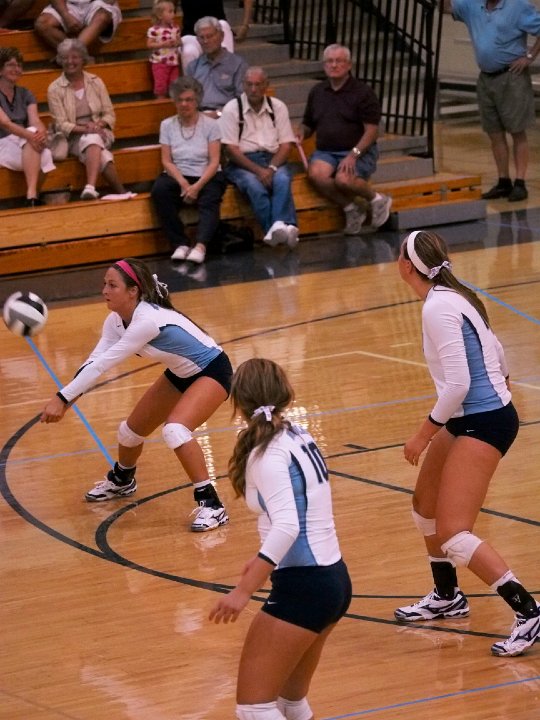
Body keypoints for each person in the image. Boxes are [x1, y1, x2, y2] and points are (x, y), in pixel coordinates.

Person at [394, 229, 540, 657]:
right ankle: (447, 597)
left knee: (454, 532)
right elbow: (497, 349)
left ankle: (529, 613)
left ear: (407, 267)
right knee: (425, 507)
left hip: (484, 422)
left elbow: (458, 383)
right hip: (470, 417)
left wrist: (423, 433)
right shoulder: (454, 295)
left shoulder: (438, 307)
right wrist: (501, 384)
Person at [40, 257, 232, 533]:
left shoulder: (147, 321)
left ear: (133, 291)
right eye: (104, 284)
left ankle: (212, 505)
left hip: (213, 370)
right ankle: (123, 480)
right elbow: (93, 362)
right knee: (129, 433)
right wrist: (67, 398)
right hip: (180, 373)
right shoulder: (115, 321)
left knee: (175, 430)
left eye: (112, 285)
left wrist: (61, 398)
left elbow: (104, 365)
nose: (104, 291)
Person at [209, 358, 352, 719]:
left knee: (254, 709)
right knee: (290, 704)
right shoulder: (298, 435)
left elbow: (288, 526)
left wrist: (243, 592)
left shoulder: (266, 452)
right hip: (333, 579)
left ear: (238, 401)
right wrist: (262, 559)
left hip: (305, 588)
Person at [442, 0, 540, 202]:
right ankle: (503, 180)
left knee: (517, 130)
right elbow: (446, 7)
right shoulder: (473, 5)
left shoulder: (517, 6)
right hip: (486, 77)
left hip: (512, 76)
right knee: (494, 132)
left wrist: (529, 56)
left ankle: (520, 181)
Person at [297, 43, 392, 236]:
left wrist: (353, 155)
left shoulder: (363, 92)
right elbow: (308, 123)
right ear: (324, 65)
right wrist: (301, 132)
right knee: (315, 174)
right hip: (326, 151)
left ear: (349, 65)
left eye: (339, 61)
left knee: (343, 180)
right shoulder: (317, 92)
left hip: (357, 150)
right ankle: (351, 207)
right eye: (329, 61)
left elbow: (372, 131)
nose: (334, 65)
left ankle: (377, 199)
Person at [220, 66, 299, 248]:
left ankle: (275, 230)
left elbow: (286, 145)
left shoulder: (278, 107)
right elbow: (230, 150)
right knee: (254, 186)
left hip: (273, 159)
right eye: (249, 84)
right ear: (243, 85)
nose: (253, 89)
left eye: (258, 84)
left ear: (266, 85)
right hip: (242, 163)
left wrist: (271, 168)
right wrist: (259, 171)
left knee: (282, 179)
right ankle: (285, 227)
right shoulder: (231, 109)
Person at [151, 76, 226, 265]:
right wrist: (184, 184)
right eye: (180, 100)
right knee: (160, 190)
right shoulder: (166, 125)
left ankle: (201, 246)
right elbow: (166, 161)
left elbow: (214, 161)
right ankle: (180, 244)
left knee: (210, 197)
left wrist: (197, 187)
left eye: (189, 100)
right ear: (174, 101)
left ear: (197, 101)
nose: (184, 104)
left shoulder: (211, 125)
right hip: (179, 174)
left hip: (207, 174)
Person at [47, 38, 130, 200]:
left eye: (75, 57)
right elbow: (61, 124)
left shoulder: (96, 82)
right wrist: (87, 129)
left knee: (93, 139)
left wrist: (98, 125)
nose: (70, 61)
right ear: (60, 60)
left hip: (101, 132)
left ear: (83, 59)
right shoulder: (54, 89)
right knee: (100, 151)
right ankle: (121, 193)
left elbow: (109, 114)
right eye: (65, 57)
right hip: (73, 138)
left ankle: (91, 188)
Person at [0, 46, 56, 206]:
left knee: (46, 153)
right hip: (2, 141)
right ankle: (32, 194)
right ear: (0, 70)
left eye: (19, 65)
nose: (16, 69)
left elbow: (35, 120)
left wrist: (41, 133)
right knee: (35, 140)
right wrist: (32, 135)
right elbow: (5, 123)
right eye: (11, 65)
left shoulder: (26, 93)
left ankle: (31, 196)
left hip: (21, 141)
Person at [184, 15, 248, 119]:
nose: (206, 41)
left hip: (228, 116)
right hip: (199, 117)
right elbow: (187, 98)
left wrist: (218, 114)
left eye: (210, 36)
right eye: (202, 37)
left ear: (221, 36)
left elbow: (242, 100)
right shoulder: (193, 66)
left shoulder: (237, 64)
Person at [179, 0, 253, 71]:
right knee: (189, 52)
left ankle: (226, 74)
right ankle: (192, 79)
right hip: (191, 33)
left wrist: (245, 26)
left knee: (223, 26)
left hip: (217, 27)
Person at [34, 0, 122, 51]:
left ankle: (73, 55)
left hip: (97, 3)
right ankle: (78, 55)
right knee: (42, 23)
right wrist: (66, 15)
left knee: (103, 17)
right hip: (67, 4)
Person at [146, 0, 181, 100]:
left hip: (174, 63)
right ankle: (160, 103)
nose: (173, 14)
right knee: (161, 86)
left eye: (174, 11)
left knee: (174, 85)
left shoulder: (175, 28)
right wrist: (162, 44)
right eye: (170, 12)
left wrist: (176, 43)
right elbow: (149, 44)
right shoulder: (154, 30)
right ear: (160, 15)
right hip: (160, 63)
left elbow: (179, 41)